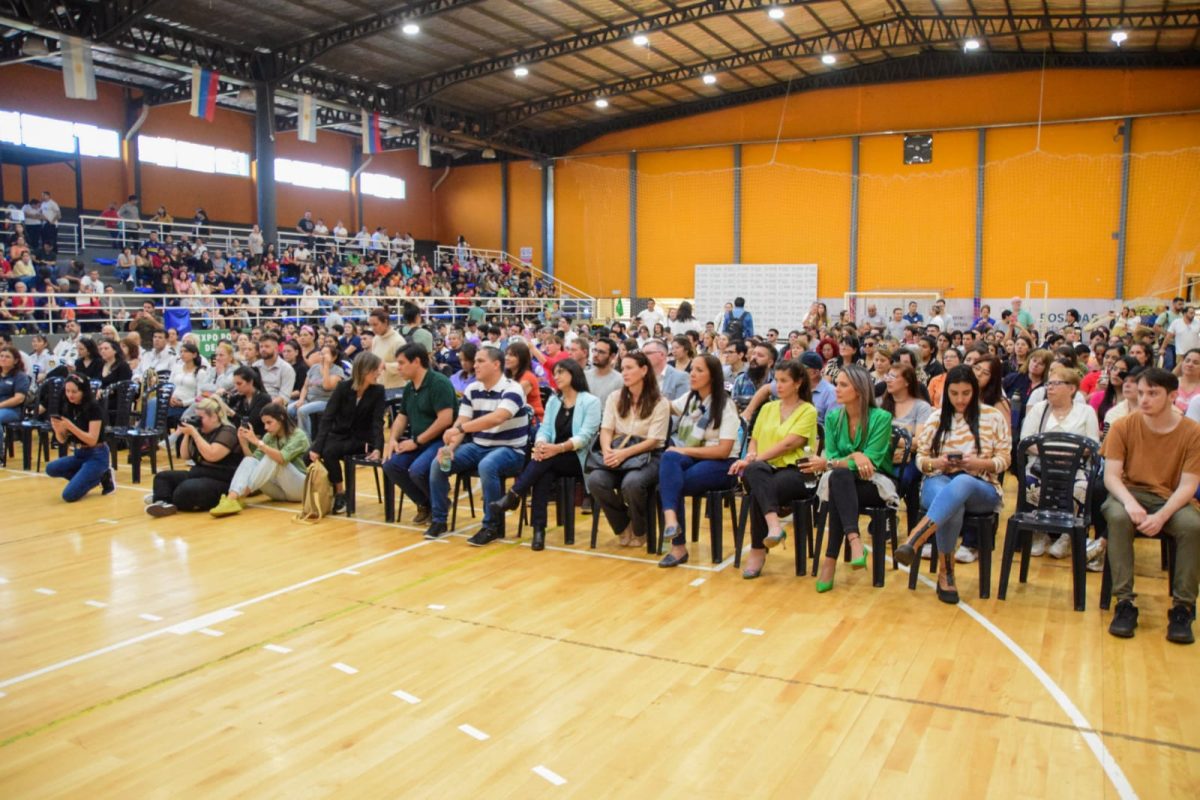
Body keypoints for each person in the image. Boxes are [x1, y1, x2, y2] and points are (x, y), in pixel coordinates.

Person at [896, 366, 1012, 604]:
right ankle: (946, 573)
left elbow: (1005, 460)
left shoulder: (993, 416)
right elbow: (921, 460)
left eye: (966, 393)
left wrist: (978, 463)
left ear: (975, 390)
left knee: (962, 481)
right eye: (955, 393)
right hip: (938, 479)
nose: (960, 400)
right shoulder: (936, 418)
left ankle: (914, 539)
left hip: (981, 485)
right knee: (953, 504)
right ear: (946, 393)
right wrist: (937, 462)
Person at [1102, 368, 1200, 644]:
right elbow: (1111, 477)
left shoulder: (1193, 432)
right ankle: (1124, 603)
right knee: (1119, 518)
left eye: (1153, 393)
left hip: (1170, 498)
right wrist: (1131, 503)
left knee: (1192, 525)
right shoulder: (1123, 425)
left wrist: (1162, 516)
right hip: (1128, 492)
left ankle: (1183, 608)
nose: (1144, 399)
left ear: (1172, 396)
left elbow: (1188, 486)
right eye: (1141, 392)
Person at [491, 359, 601, 551]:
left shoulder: (591, 402)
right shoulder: (554, 400)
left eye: (560, 373)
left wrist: (556, 448)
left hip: (576, 457)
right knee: (543, 471)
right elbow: (545, 429)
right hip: (551, 456)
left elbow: (584, 437)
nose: (556, 377)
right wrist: (542, 443)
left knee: (543, 462)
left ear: (573, 375)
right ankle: (538, 530)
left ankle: (514, 496)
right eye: (555, 373)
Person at [425, 346, 531, 545]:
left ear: (496, 364)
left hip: (511, 450)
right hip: (479, 447)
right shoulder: (473, 389)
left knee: (488, 465)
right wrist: (451, 447)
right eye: (475, 361)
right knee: (439, 463)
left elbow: (498, 418)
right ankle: (439, 520)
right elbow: (461, 422)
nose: (475, 365)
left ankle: (491, 526)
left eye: (480, 361)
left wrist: (460, 429)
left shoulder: (513, 389)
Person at [804, 365, 896, 591]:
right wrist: (855, 456)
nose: (836, 389)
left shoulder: (882, 417)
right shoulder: (834, 418)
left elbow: (871, 462)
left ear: (860, 390)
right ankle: (854, 540)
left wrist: (850, 457)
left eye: (843, 385)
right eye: (837, 384)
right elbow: (834, 456)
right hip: (843, 481)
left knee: (838, 480)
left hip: (875, 483)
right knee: (841, 477)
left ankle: (829, 562)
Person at [729, 359, 818, 578]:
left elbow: (790, 444)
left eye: (784, 381)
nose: (778, 385)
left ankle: (758, 551)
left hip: (796, 470)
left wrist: (754, 459)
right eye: (776, 380)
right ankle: (774, 526)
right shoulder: (767, 408)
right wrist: (751, 455)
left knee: (760, 487)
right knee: (757, 475)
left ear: (797, 383)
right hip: (764, 469)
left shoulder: (808, 410)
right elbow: (754, 440)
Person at [656, 353, 742, 568]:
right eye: (692, 369)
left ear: (712, 376)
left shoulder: (725, 405)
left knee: (673, 481)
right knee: (669, 457)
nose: (692, 374)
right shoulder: (690, 399)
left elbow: (724, 451)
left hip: (724, 465)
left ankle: (677, 545)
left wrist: (685, 451)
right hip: (695, 457)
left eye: (699, 370)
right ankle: (671, 521)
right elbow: (665, 406)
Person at [586, 351, 671, 549]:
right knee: (596, 480)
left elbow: (653, 441)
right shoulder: (615, 397)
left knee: (632, 483)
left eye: (629, 368)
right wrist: (607, 451)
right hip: (617, 451)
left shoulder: (660, 402)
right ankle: (623, 525)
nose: (624, 373)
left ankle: (641, 529)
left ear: (643, 370)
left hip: (649, 455)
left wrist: (623, 454)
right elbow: (606, 429)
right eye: (622, 368)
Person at [1018, 363, 1102, 561]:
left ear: (1071, 388)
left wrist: (1069, 454)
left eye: (1056, 384)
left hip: (1075, 467)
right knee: (1031, 483)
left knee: (1082, 486)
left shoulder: (1086, 411)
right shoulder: (1039, 409)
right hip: (1041, 466)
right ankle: (1039, 532)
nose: (1050, 388)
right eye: (1049, 384)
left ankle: (1067, 536)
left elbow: (1093, 444)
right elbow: (1025, 440)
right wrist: (1049, 454)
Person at [381, 343, 457, 526]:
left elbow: (445, 420)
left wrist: (416, 441)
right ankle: (425, 503)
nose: (398, 367)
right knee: (391, 465)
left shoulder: (439, 383)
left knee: (418, 470)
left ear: (416, 362)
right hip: (419, 442)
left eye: (401, 363)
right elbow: (401, 417)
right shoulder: (409, 388)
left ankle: (439, 503)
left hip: (443, 442)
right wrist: (392, 440)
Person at [309, 352, 386, 514]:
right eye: (376, 370)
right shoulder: (343, 388)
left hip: (362, 440)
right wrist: (316, 447)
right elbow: (327, 418)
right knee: (310, 454)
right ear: (364, 370)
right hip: (339, 435)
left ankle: (340, 493)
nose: (379, 373)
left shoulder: (378, 391)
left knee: (329, 452)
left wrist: (378, 447)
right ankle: (334, 488)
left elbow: (378, 422)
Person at [145, 397, 241, 516]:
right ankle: (163, 502)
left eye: (201, 418)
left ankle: (166, 495)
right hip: (198, 474)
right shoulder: (200, 431)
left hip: (220, 479)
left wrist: (194, 434)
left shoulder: (228, 431)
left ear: (214, 417)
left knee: (187, 489)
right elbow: (185, 455)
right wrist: (187, 434)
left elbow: (212, 455)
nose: (198, 421)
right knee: (162, 477)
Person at [210, 403, 310, 516]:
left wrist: (257, 442)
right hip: (279, 492)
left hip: (300, 489)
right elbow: (254, 462)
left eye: (269, 422)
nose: (266, 427)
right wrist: (244, 444)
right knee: (249, 461)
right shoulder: (268, 437)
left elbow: (281, 458)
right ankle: (232, 497)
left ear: (281, 418)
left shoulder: (299, 435)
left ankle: (238, 496)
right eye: (264, 423)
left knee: (272, 458)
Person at [45, 373, 116, 501]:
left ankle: (102, 476)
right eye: (67, 391)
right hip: (79, 453)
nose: (70, 395)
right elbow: (62, 440)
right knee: (51, 468)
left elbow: (92, 440)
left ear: (83, 391)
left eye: (74, 391)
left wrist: (70, 426)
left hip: (96, 454)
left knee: (68, 496)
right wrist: (58, 430)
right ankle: (91, 478)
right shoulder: (68, 406)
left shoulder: (94, 408)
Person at [290, 343, 344, 439]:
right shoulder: (314, 367)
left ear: (334, 357)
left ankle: (306, 440)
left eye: (325, 354)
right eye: (321, 353)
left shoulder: (337, 370)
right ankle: (292, 437)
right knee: (289, 409)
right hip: (309, 399)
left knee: (302, 411)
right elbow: (305, 387)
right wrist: (301, 399)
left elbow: (327, 386)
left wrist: (326, 367)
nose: (322, 356)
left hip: (325, 401)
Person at [367, 307, 407, 399]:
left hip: (395, 388)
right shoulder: (376, 339)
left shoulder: (398, 341)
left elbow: (405, 365)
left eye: (375, 325)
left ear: (385, 322)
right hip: (378, 386)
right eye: (371, 325)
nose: (372, 328)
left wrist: (385, 365)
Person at [0, 345, 30, 466]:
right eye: (1, 356)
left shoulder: (20, 376)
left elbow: (19, 398)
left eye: (7, 357)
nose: (3, 359)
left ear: (16, 360)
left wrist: (0, 405)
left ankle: (0, 456)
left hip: (12, 410)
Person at [504, 339, 545, 423]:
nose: (506, 358)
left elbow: (510, 401)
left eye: (511, 355)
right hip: (515, 417)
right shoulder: (507, 375)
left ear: (522, 358)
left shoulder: (528, 377)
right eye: (506, 354)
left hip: (532, 420)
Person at [252, 332, 295, 407]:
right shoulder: (255, 366)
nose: (263, 349)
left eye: (267, 346)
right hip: (255, 404)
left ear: (276, 348)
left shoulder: (286, 369)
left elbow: (283, 398)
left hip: (275, 409)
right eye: (261, 347)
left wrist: (264, 406)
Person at [227, 365, 271, 438]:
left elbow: (250, 424)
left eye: (239, 383)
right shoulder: (238, 398)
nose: (236, 387)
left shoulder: (264, 398)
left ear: (250, 381)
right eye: (235, 384)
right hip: (239, 435)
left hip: (257, 437)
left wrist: (231, 413)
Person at [584, 336, 623, 407]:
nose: (595, 355)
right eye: (595, 350)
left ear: (612, 356)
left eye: (601, 352)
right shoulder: (585, 376)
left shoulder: (619, 380)